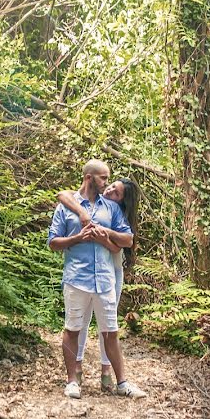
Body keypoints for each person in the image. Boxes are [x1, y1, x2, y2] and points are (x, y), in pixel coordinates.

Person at [47, 159, 146, 399]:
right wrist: (77, 238)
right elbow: (53, 242)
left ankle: (122, 383)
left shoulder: (110, 208)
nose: (107, 183)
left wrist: (104, 234)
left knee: (110, 331)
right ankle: (72, 381)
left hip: (104, 279)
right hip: (76, 277)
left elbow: (127, 239)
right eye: (104, 178)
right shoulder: (67, 206)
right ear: (90, 178)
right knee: (72, 328)